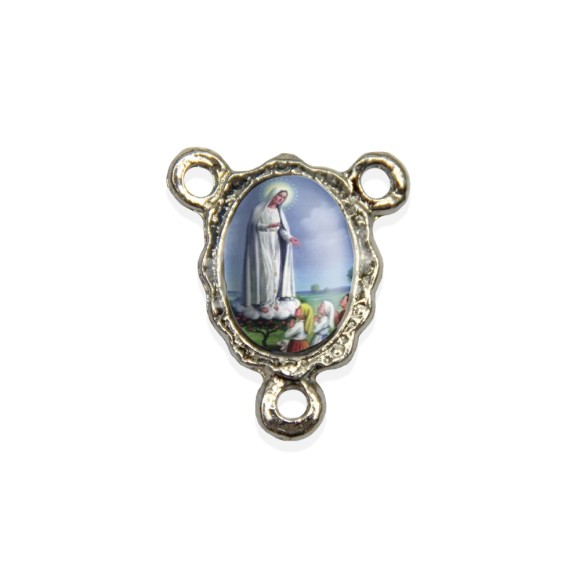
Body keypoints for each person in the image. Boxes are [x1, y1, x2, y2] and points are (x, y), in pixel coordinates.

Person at [241, 188, 299, 313]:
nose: (281, 199)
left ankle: (273, 301)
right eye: (279, 195)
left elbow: (281, 230)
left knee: (275, 272)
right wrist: (268, 226)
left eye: (283, 197)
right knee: (266, 273)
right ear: (273, 194)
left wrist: (290, 238)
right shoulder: (259, 209)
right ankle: (265, 302)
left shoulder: (279, 211)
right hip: (261, 243)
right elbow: (254, 227)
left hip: (275, 243)